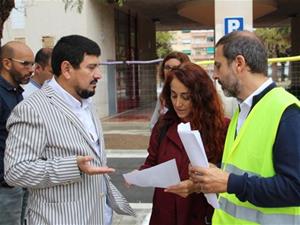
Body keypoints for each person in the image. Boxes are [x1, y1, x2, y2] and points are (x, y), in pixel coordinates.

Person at [4, 35, 134, 225]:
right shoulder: (32, 110)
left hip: (99, 217)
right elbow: (15, 171)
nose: (98, 74)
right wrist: (72, 167)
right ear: (66, 69)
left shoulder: (86, 103)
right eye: (91, 67)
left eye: (98, 67)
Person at [189, 30, 300, 225]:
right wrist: (214, 174)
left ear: (239, 63)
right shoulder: (243, 110)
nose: (214, 75)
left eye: (218, 66)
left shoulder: (288, 112)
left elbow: (295, 188)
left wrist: (229, 182)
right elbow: (242, 170)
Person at [140, 62, 228, 225]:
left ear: (201, 96)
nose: (178, 103)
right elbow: (151, 162)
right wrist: (140, 176)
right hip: (164, 214)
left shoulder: (223, 128)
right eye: (173, 95)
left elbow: (228, 174)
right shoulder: (163, 125)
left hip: (201, 214)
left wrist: (196, 185)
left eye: (186, 97)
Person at [0, 41, 34, 225]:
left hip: (20, 182)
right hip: (5, 187)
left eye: (32, 64)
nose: (31, 70)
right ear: (7, 63)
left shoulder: (16, 93)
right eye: (25, 64)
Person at [150, 51, 190, 129]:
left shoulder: (194, 92)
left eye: (175, 68)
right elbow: (153, 124)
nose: (170, 71)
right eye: (167, 67)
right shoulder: (163, 96)